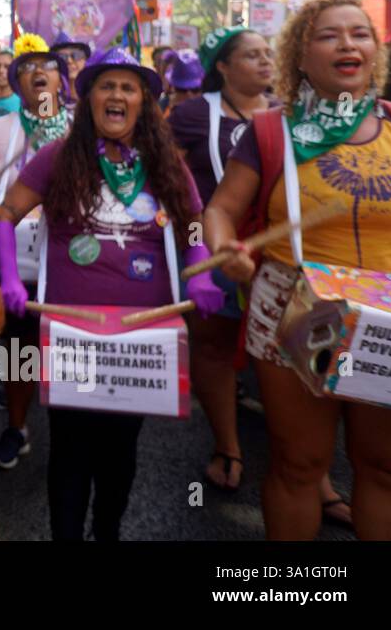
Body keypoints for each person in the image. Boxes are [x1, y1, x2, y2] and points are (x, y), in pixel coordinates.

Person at [0, 48, 224, 540]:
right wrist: (9, 277)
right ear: (89, 97)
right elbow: (5, 216)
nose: (117, 95)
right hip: (70, 327)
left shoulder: (166, 162)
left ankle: (108, 530)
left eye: (128, 87)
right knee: (71, 446)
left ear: (143, 101)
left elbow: (192, 227)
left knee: (121, 447)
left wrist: (199, 274)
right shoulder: (57, 157)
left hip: (146, 332)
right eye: (107, 86)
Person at [205, 0, 391, 540]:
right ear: (301, 55)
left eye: (360, 34)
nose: (348, 44)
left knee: (386, 466)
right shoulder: (271, 131)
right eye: (329, 35)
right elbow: (219, 209)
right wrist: (225, 250)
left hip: (387, 318)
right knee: (300, 466)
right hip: (296, 311)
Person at [166, 27, 274, 495]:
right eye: (252, 56)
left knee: (281, 358)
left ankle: (308, 471)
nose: (265, 62)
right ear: (224, 67)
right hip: (217, 250)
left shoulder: (294, 116)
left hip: (278, 255)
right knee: (214, 350)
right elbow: (164, 173)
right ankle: (227, 446)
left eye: (269, 54)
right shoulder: (192, 114)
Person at [0, 33, 72, 469]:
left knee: (71, 341)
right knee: (19, 346)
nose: (39, 73)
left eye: (48, 66)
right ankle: (17, 428)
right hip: (14, 255)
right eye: (27, 69)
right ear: (16, 84)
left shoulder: (84, 128)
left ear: (62, 81)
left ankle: (73, 432)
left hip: (72, 254)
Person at [51, 32, 92, 99]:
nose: (69, 61)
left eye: (76, 55)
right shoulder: (47, 95)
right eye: (62, 57)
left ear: (85, 59)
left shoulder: (94, 95)